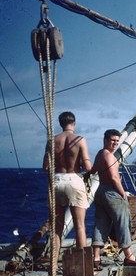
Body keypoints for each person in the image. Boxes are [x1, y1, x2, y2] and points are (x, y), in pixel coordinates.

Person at [89, 129, 136, 268]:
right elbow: (114, 178)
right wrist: (123, 194)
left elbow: (93, 170)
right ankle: (129, 256)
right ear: (105, 140)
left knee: (100, 224)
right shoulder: (110, 157)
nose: (115, 143)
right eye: (112, 140)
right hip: (112, 193)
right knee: (123, 223)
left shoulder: (100, 154)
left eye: (117, 141)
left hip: (100, 192)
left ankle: (95, 258)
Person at [43, 111, 92, 259]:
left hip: (57, 181)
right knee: (80, 226)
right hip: (74, 180)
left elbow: (45, 166)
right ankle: (80, 264)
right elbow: (88, 167)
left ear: (60, 123)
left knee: (57, 228)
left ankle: (54, 262)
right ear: (74, 123)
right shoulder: (80, 140)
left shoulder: (52, 140)